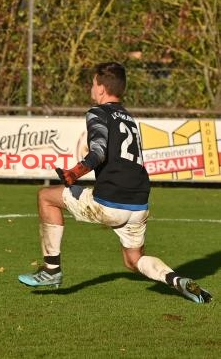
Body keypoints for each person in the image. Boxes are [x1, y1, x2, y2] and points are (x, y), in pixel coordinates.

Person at [18, 62, 212, 304]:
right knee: (133, 260)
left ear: (100, 88)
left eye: (92, 83)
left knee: (46, 197)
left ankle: (51, 271)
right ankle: (176, 280)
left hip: (110, 202)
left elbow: (98, 151)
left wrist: (75, 173)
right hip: (139, 204)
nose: (91, 88)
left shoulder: (97, 112)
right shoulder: (129, 118)